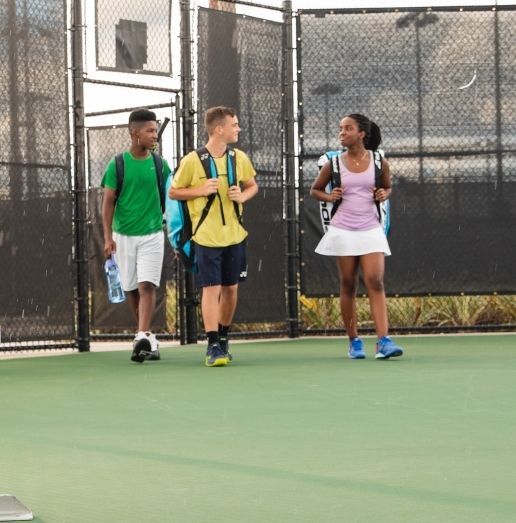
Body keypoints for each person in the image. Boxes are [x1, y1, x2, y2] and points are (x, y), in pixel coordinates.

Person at [169, 106, 258, 367]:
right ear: (219, 129)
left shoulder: (239, 158)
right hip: (205, 238)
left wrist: (242, 195)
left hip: (235, 236)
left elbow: (252, 185)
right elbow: (174, 192)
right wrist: (199, 189)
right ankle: (211, 346)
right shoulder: (192, 161)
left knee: (231, 289)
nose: (238, 129)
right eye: (234, 124)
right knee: (211, 289)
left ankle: (223, 337)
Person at [310, 113, 403, 360]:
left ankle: (383, 341)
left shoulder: (379, 161)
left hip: (371, 228)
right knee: (348, 284)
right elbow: (315, 190)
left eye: (347, 129)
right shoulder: (335, 164)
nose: (342, 133)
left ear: (361, 133)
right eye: (341, 129)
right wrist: (329, 197)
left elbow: (387, 187)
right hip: (343, 230)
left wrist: (385, 193)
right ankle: (354, 342)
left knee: (375, 280)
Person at [102, 108, 171, 363]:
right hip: (123, 237)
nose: (155, 135)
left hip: (153, 234)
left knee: (146, 286)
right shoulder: (117, 164)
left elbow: (171, 199)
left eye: (156, 130)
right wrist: (108, 238)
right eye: (150, 131)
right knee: (131, 289)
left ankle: (141, 335)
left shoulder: (160, 164)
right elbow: (108, 202)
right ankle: (146, 339)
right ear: (134, 133)